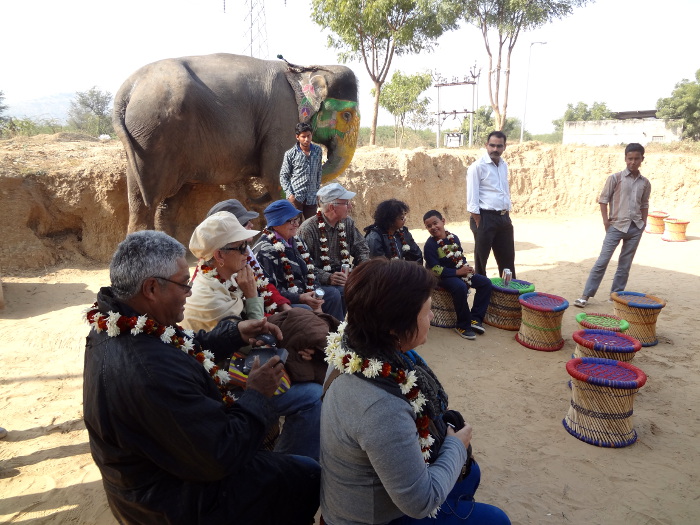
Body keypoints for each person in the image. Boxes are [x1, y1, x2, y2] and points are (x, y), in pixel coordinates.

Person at [83, 230, 320, 524]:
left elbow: (178, 344)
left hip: (165, 478)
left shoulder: (122, 324)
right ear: (152, 288)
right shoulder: (148, 370)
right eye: (183, 284)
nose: (189, 292)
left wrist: (235, 332)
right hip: (176, 502)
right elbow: (220, 455)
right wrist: (257, 395)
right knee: (307, 475)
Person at [320, 258, 510, 525]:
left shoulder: (351, 343)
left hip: (364, 496)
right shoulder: (380, 407)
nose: (432, 316)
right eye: (427, 310)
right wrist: (457, 445)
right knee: (495, 520)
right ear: (395, 328)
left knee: (471, 473)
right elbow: (420, 502)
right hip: (369, 518)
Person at [183, 210, 325, 459]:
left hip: (242, 363)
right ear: (219, 255)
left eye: (247, 245)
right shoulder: (208, 297)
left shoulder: (225, 278)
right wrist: (251, 296)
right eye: (241, 247)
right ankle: (288, 463)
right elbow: (257, 341)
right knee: (312, 395)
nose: (248, 253)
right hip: (225, 383)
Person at [574, 143, 651, 308]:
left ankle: (615, 296)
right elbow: (603, 200)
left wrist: (643, 224)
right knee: (602, 261)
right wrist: (606, 222)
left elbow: (644, 204)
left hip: (635, 227)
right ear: (625, 159)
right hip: (615, 226)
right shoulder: (615, 179)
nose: (633, 162)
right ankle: (585, 295)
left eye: (637, 158)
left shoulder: (645, 183)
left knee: (625, 264)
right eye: (630, 158)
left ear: (642, 159)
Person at [254, 199, 345, 320]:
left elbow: (311, 271)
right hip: (287, 301)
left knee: (337, 293)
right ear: (276, 224)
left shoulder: (297, 241)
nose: (296, 224)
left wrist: (317, 294)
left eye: (296, 219)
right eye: (291, 221)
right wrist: (300, 297)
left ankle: (336, 333)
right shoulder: (265, 250)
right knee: (305, 309)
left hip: (307, 291)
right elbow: (270, 290)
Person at [204, 199, 293, 316]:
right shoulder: (216, 264)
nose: (251, 224)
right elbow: (243, 317)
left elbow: (262, 282)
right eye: (245, 222)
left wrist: (284, 306)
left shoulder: (243, 249)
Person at [298, 182, 370, 316]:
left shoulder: (348, 223)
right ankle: (336, 332)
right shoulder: (308, 229)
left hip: (344, 276)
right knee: (337, 293)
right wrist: (327, 277)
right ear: (332, 207)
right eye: (346, 202)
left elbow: (362, 248)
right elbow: (304, 265)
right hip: (317, 281)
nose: (350, 206)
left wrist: (359, 271)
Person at [423, 210, 492, 341]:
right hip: (441, 277)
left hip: (458, 272)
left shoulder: (453, 238)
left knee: (485, 283)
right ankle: (462, 325)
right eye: (428, 226)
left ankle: (475, 319)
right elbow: (434, 269)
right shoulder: (430, 245)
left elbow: (460, 256)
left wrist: (465, 267)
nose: (433, 227)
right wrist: (457, 272)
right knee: (460, 287)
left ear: (443, 221)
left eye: (435, 223)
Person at [466, 131, 516, 278]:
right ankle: (482, 295)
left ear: (504, 147)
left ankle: (508, 295)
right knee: (481, 260)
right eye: (492, 145)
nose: (495, 149)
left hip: (503, 218)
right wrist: (479, 221)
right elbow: (472, 197)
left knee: (507, 259)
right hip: (484, 217)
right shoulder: (477, 167)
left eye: (499, 146)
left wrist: (506, 213)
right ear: (486, 145)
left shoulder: (503, 165)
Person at [280, 122, 323, 220]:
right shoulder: (290, 154)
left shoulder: (318, 151)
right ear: (297, 137)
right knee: (295, 226)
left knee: (312, 226)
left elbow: (319, 171)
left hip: (312, 198)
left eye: (309, 136)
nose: (307, 139)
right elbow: (283, 176)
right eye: (303, 136)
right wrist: (290, 194)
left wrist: (317, 191)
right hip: (296, 198)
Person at [364, 199, 423, 264]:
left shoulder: (403, 232)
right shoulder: (375, 237)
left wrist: (413, 270)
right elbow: (377, 265)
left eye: (405, 216)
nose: (404, 219)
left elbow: (416, 255)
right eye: (401, 218)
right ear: (390, 220)